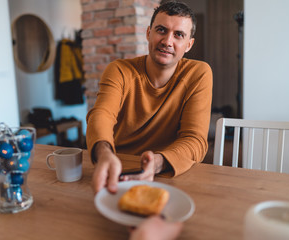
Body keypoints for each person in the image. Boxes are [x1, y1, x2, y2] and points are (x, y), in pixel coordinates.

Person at [86, 1, 213, 194]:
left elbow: (195, 139)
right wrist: (104, 154)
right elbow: (101, 115)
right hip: (117, 168)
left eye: (178, 35)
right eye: (161, 30)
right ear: (148, 33)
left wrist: (156, 164)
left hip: (168, 173)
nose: (167, 41)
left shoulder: (199, 74)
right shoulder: (119, 70)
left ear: (189, 44)